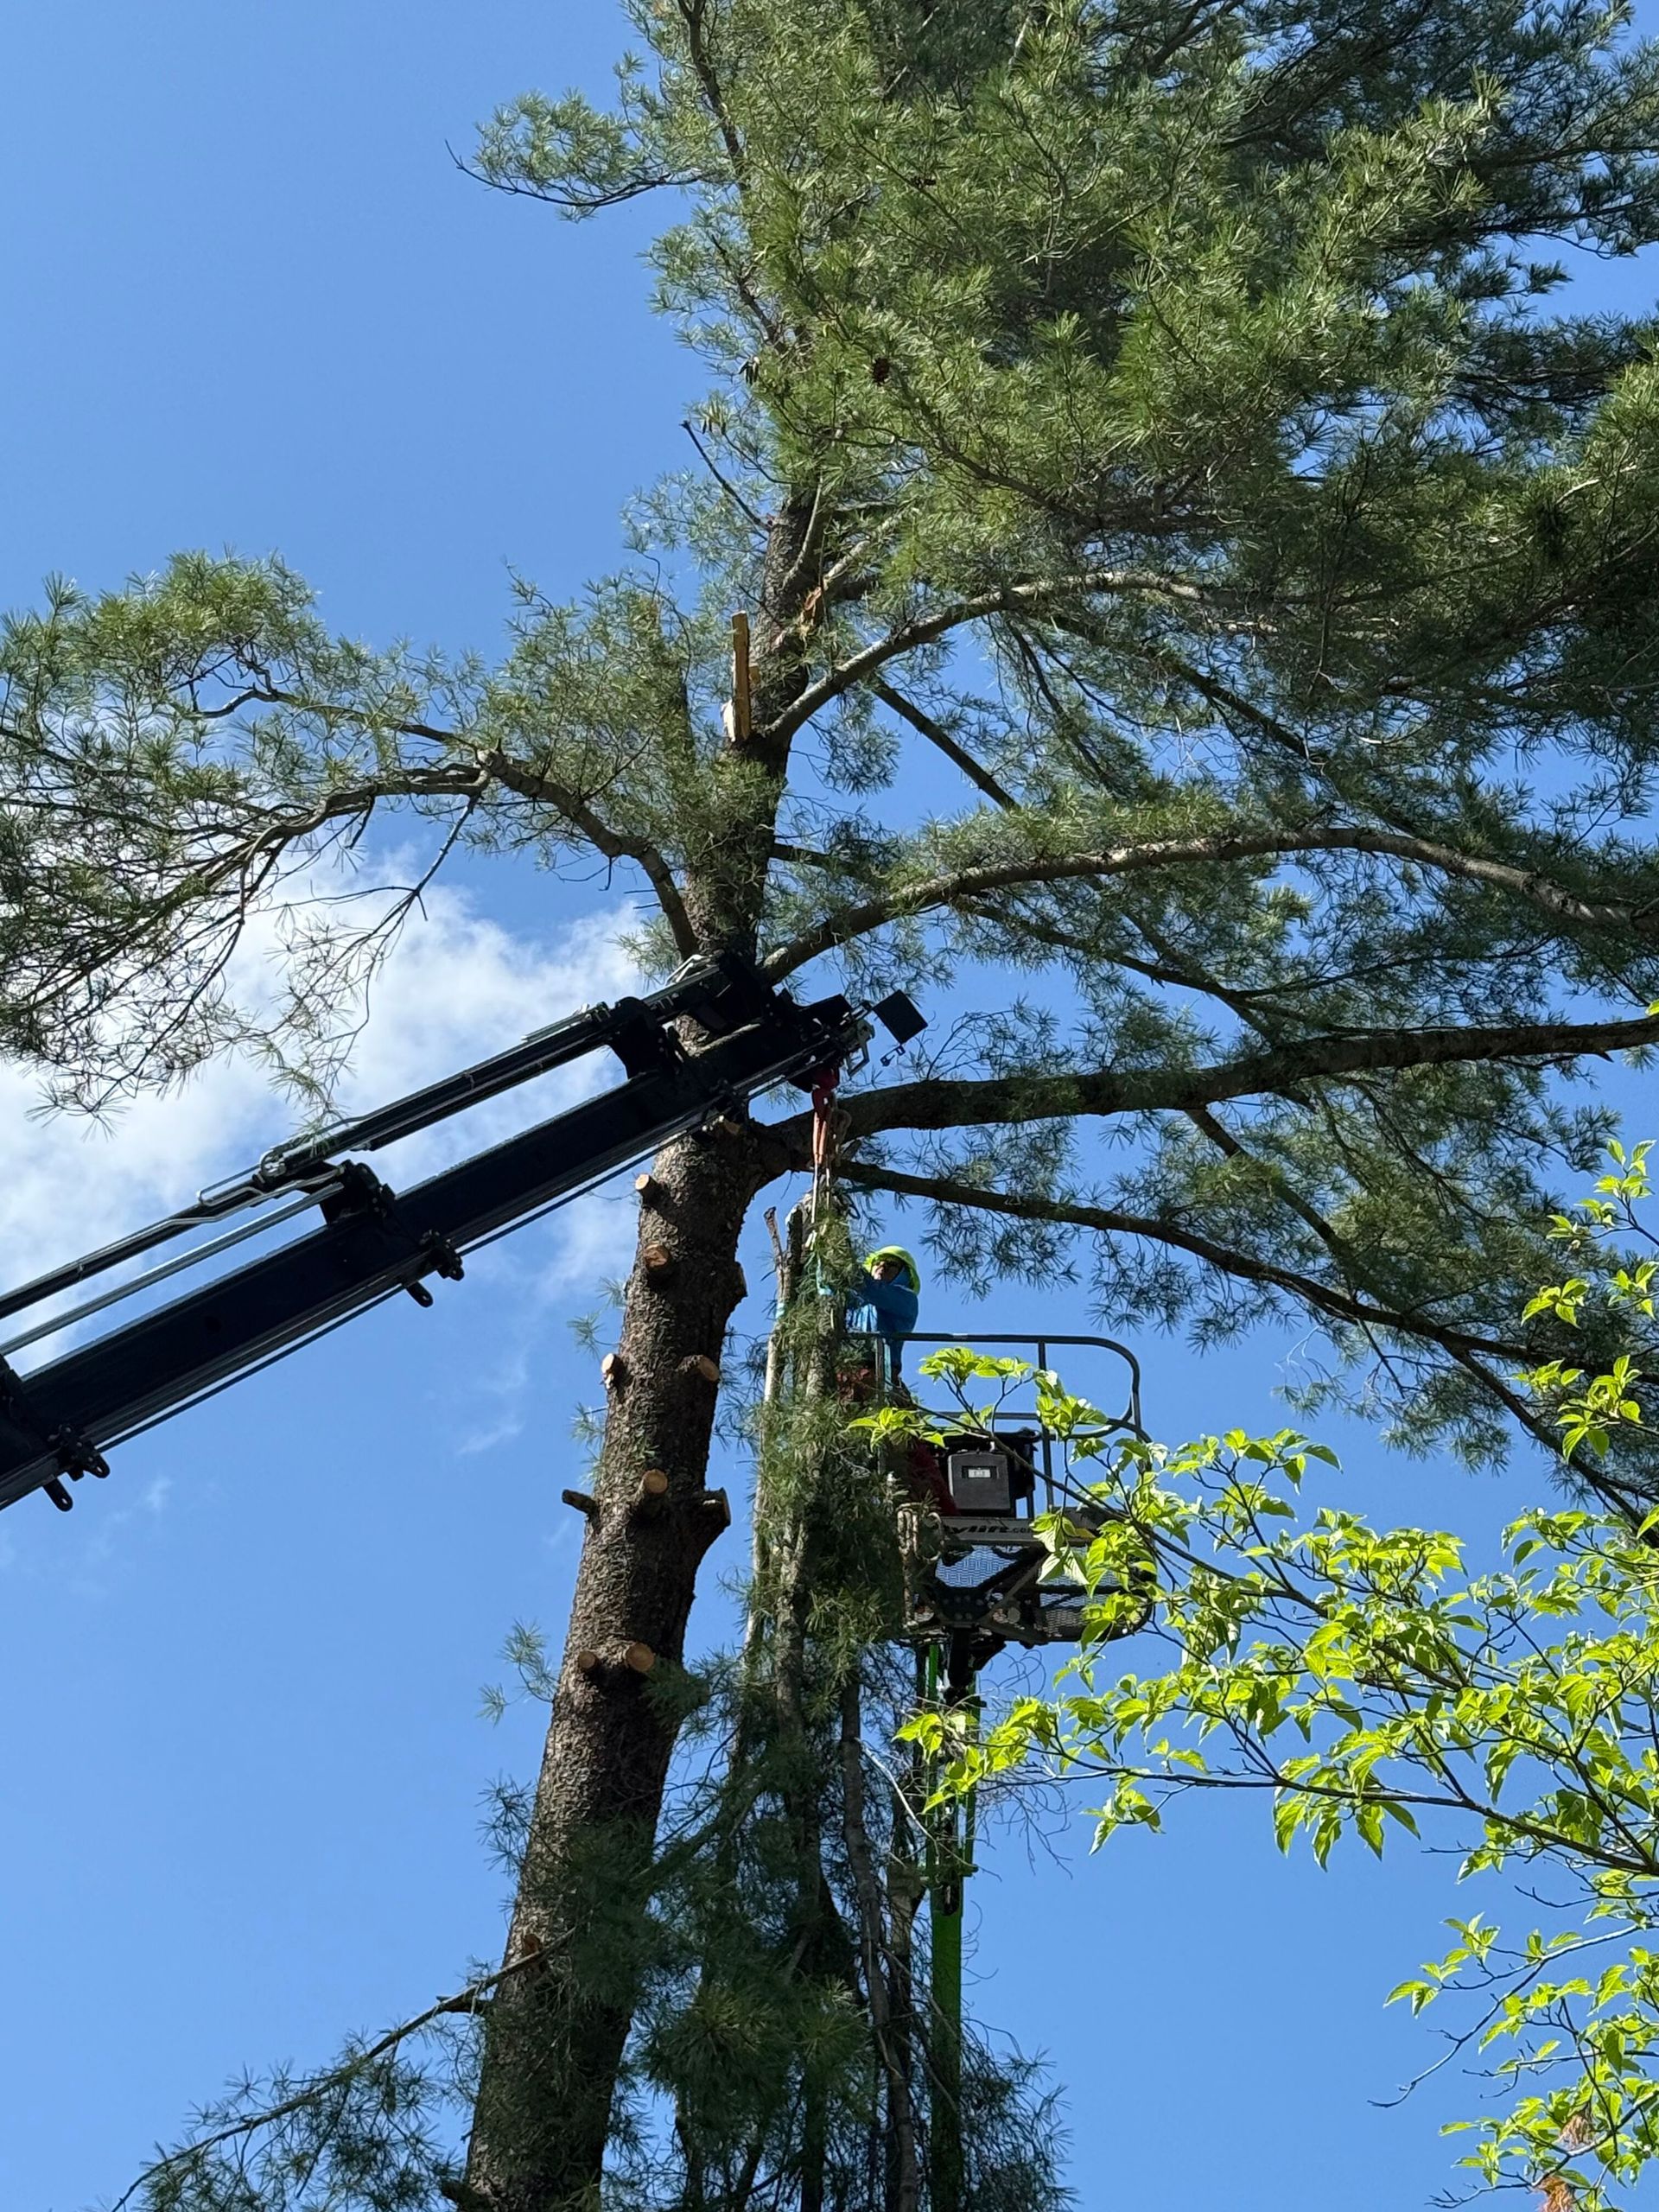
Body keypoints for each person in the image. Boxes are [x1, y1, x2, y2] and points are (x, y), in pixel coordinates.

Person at [846, 1244, 921, 1379]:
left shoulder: (906, 1299)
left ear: (904, 1273)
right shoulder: (859, 1300)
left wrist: (844, 1260)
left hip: (879, 1367)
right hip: (847, 1366)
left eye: (891, 1264)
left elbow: (872, 1289)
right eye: (877, 1263)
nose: (882, 1267)